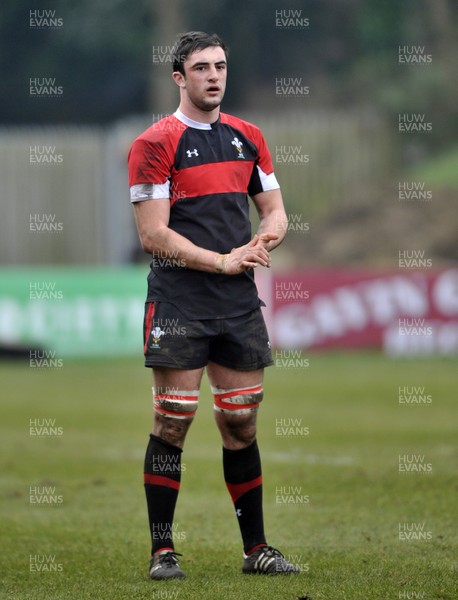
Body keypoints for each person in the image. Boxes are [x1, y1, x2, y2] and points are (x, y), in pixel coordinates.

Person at [128, 31, 300, 580]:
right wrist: (220, 260)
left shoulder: (249, 137)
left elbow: (274, 212)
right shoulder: (155, 143)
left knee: (242, 423)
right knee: (172, 420)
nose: (214, 76)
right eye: (201, 67)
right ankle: (162, 552)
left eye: (220, 66)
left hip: (237, 303)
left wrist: (264, 239)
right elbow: (153, 235)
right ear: (179, 77)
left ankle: (257, 551)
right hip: (180, 300)